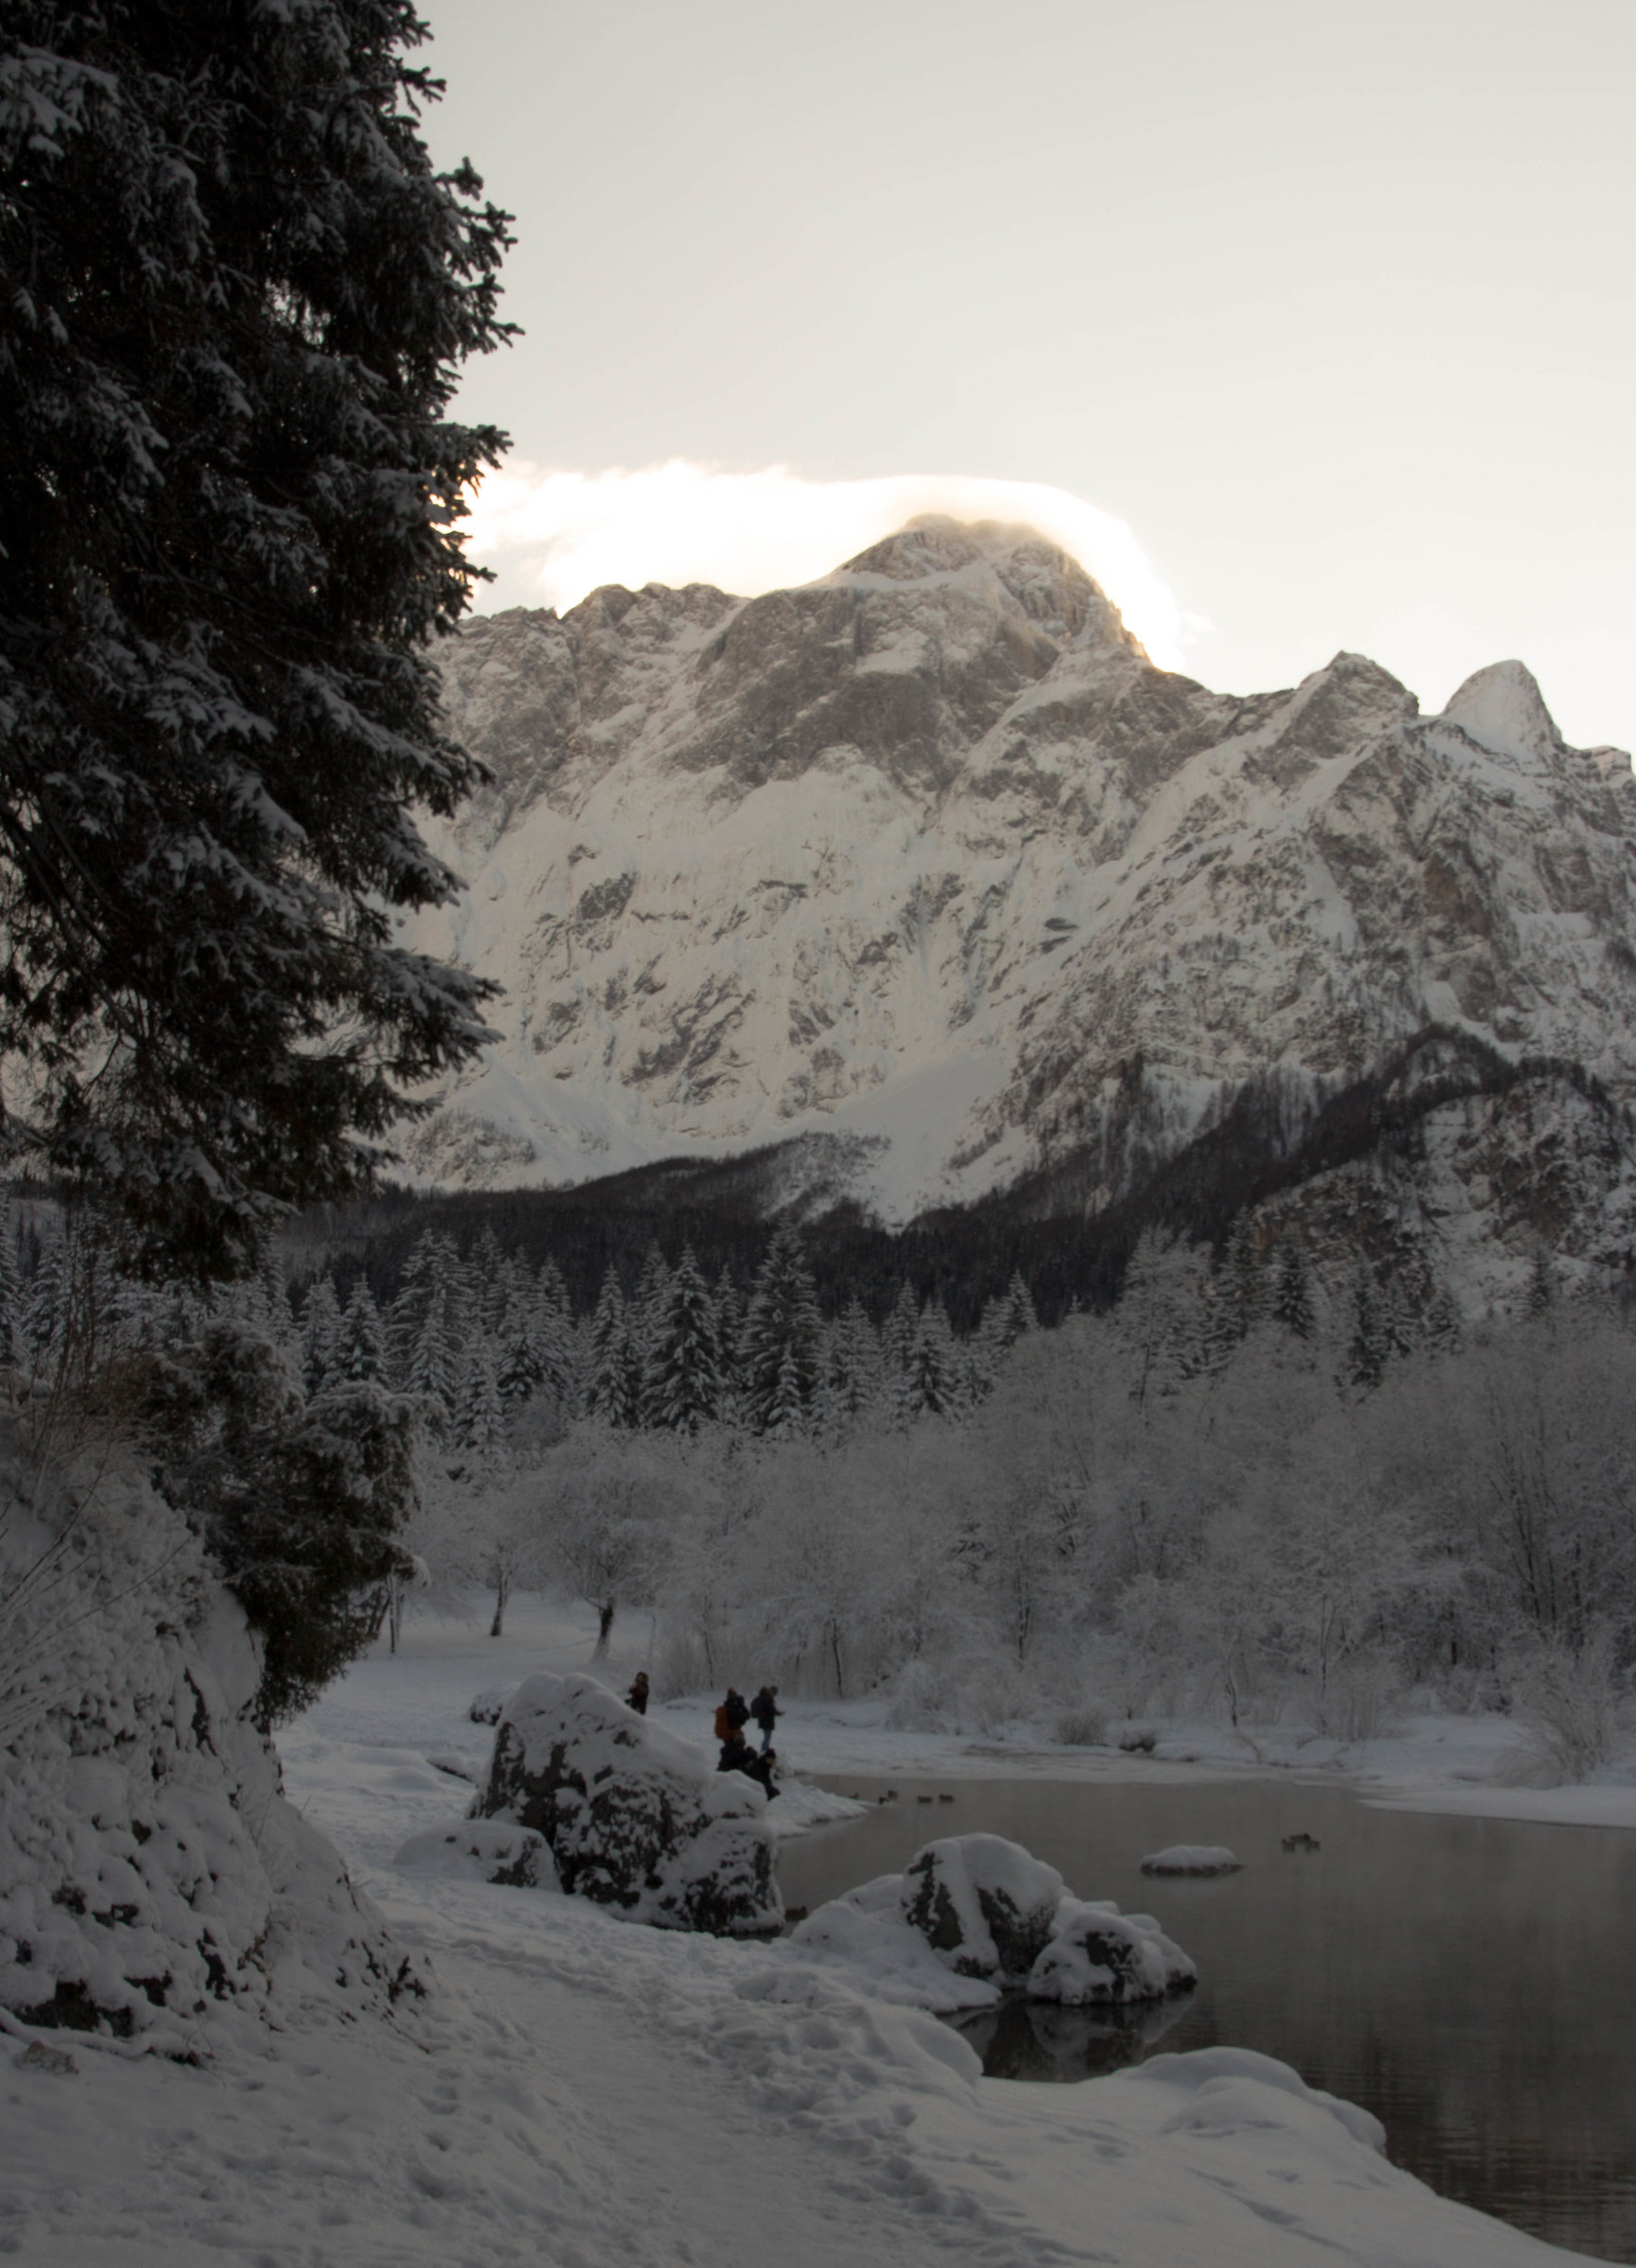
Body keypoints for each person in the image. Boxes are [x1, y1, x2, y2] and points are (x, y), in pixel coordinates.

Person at [750, 1684, 781, 1754]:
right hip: (767, 1721)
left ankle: (764, 1750)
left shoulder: (763, 1697)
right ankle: (764, 1751)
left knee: (767, 1736)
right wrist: (778, 1713)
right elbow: (771, 1709)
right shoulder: (768, 1698)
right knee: (767, 1737)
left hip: (763, 1721)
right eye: (775, 1693)